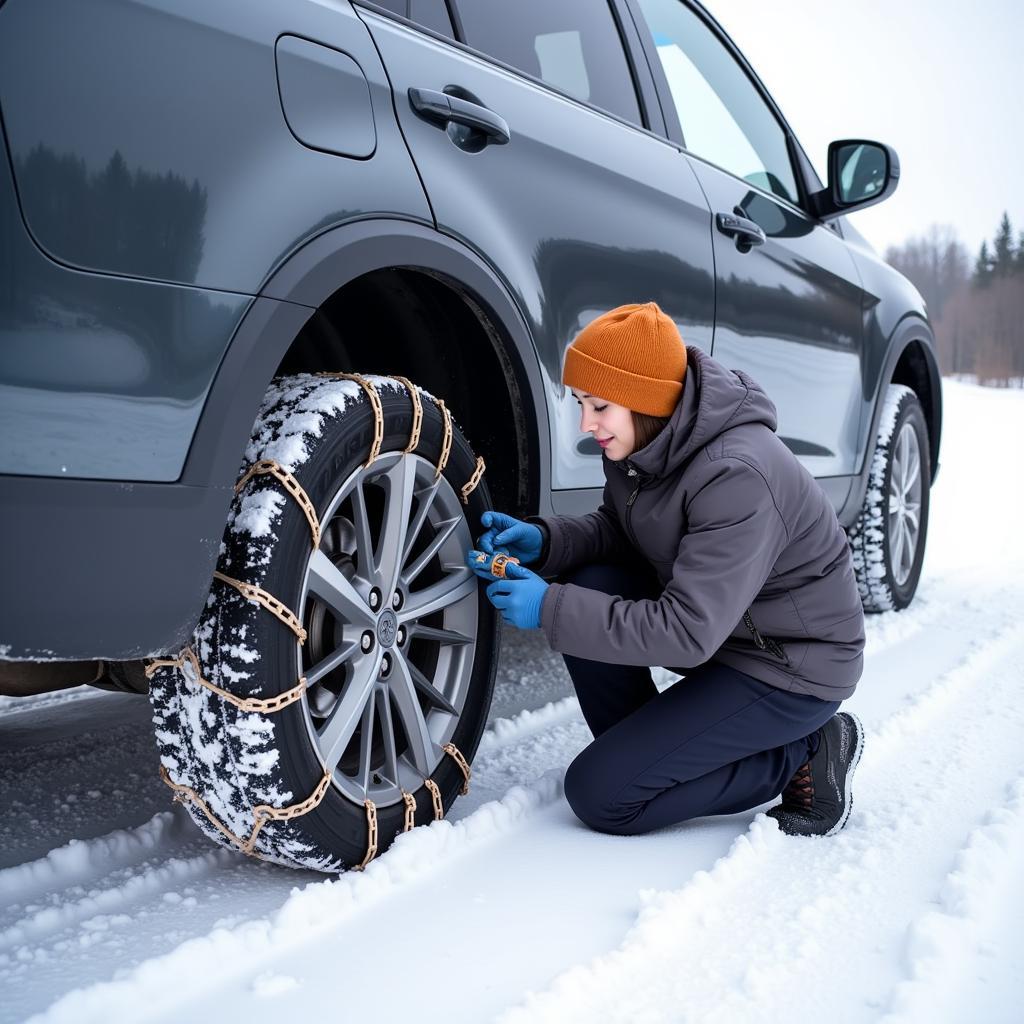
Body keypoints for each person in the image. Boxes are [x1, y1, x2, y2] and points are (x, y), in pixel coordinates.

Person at [464, 301, 866, 838]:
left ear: (646, 400)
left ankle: (807, 750)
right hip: (729, 636)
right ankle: (650, 757)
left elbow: (687, 632)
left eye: (600, 406)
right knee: (590, 578)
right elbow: (619, 533)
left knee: (602, 796)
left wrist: (548, 606)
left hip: (788, 665)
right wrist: (545, 540)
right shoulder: (648, 441)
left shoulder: (737, 474)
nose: (587, 424)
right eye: (582, 403)